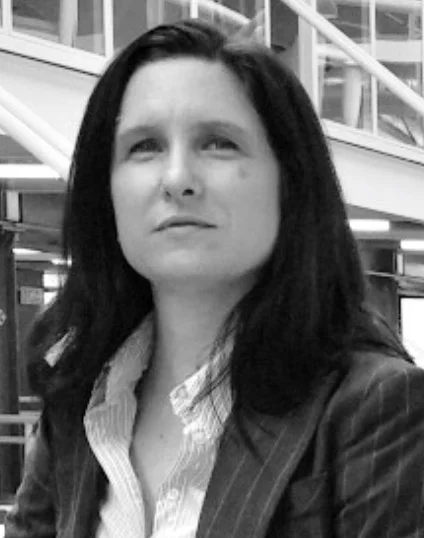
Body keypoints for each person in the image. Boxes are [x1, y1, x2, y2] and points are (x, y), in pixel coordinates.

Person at [5, 18, 424, 538]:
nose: (177, 178)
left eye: (218, 143)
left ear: (290, 181)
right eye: (144, 147)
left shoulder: (376, 407)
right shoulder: (79, 399)